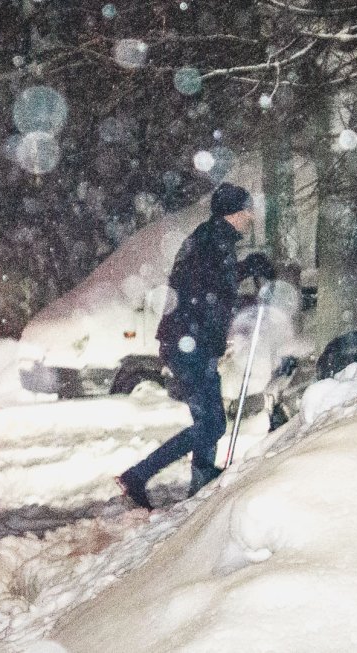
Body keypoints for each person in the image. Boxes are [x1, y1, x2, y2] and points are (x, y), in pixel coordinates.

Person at [117, 182, 274, 509]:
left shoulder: (211, 239)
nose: (251, 217)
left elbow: (216, 282)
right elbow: (210, 295)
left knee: (208, 418)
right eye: (248, 211)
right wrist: (248, 299)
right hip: (190, 344)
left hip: (188, 341)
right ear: (236, 212)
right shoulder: (213, 242)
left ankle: (201, 484)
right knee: (213, 423)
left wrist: (249, 268)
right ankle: (138, 475)